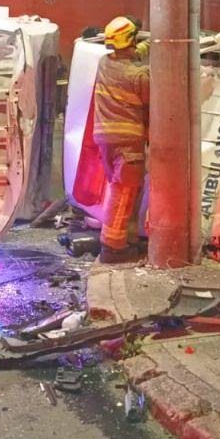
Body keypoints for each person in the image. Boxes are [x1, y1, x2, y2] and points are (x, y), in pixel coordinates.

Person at [92, 16, 150, 264]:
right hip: (129, 142)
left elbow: (130, 53)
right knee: (124, 192)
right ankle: (113, 248)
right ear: (132, 40)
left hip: (105, 139)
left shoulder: (104, 63)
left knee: (118, 188)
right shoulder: (140, 76)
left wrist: (147, 45)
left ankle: (122, 240)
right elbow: (153, 105)